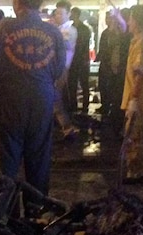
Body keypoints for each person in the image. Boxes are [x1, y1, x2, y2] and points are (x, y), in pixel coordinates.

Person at [0, 0, 66, 195]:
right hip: (42, 98)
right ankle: (36, 210)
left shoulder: (3, 28)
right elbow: (59, 68)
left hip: (11, 97)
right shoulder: (53, 32)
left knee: (9, 157)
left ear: (17, 3)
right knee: (39, 155)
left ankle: (8, 211)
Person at [121, 4, 143, 183]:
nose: (128, 22)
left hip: (138, 98)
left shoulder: (142, 42)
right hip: (137, 97)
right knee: (139, 134)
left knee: (135, 135)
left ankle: (137, 171)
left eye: (131, 18)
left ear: (137, 21)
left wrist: (133, 100)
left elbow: (139, 74)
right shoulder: (139, 40)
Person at [95, 9, 129, 135]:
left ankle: (117, 126)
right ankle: (111, 119)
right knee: (107, 91)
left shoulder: (126, 37)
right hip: (110, 68)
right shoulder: (108, 34)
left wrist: (117, 19)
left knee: (117, 98)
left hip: (121, 71)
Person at [52, 0, 79, 138]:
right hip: (55, 69)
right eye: (56, 13)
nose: (58, 15)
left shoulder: (70, 30)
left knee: (55, 98)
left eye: (61, 13)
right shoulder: (58, 29)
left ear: (69, 14)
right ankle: (65, 126)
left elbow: (65, 45)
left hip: (62, 69)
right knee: (54, 98)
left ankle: (67, 127)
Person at [68, 6, 92, 115]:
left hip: (81, 60)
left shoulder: (84, 29)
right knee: (72, 83)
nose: (70, 16)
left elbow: (83, 45)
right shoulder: (72, 27)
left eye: (72, 14)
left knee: (84, 84)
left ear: (76, 15)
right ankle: (73, 105)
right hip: (75, 60)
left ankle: (84, 106)